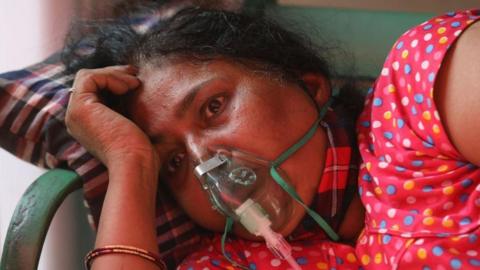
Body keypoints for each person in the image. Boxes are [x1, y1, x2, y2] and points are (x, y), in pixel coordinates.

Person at [1, 4, 479, 270]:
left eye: (213, 107)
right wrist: (131, 162)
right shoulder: (230, 263)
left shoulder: (417, 98)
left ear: (307, 86)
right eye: (173, 163)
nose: (207, 161)